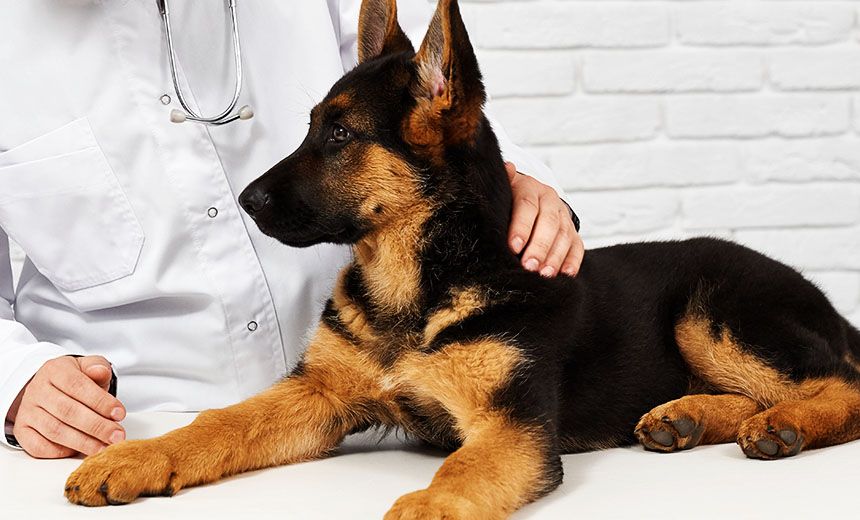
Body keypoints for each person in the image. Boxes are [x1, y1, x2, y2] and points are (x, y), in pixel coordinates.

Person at [0, 0, 583, 458]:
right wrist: (18, 383)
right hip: (127, 427)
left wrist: (519, 182)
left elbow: (417, 93)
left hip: (381, 422)